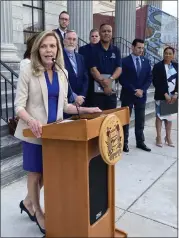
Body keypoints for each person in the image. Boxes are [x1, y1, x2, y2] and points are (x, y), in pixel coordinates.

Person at [14, 30, 101, 235]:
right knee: (35, 174)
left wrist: (87, 110)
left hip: (56, 134)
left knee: (47, 173)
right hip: (33, 131)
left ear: (57, 49)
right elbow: (18, 106)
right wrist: (31, 120)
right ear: (38, 49)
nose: (48, 50)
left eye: (52, 46)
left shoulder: (62, 72)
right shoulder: (28, 70)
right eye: (44, 46)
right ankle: (38, 212)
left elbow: (64, 105)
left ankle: (27, 201)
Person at [119, 38, 152, 153]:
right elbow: (122, 79)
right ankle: (124, 143)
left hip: (141, 96)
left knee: (140, 120)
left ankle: (140, 142)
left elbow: (149, 78)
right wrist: (134, 90)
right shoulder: (124, 61)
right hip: (128, 95)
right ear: (132, 47)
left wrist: (142, 90)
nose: (140, 50)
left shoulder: (146, 61)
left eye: (142, 48)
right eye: (138, 47)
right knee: (125, 120)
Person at [88, 23, 122, 110]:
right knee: (97, 119)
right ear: (100, 33)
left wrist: (110, 80)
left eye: (109, 31)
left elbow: (119, 68)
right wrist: (104, 85)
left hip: (111, 92)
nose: (106, 33)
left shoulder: (116, 50)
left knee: (110, 119)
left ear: (112, 33)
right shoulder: (92, 49)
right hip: (96, 94)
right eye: (104, 31)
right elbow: (93, 69)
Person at [152, 46, 178, 147]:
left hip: (173, 96)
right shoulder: (158, 66)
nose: (167, 55)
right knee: (159, 117)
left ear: (173, 55)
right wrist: (165, 94)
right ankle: (158, 137)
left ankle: (168, 137)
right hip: (161, 95)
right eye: (166, 53)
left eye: (170, 53)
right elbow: (156, 81)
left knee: (169, 118)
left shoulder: (176, 66)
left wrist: (176, 93)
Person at [63, 30, 88, 108]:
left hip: (81, 101)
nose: (71, 42)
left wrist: (82, 96)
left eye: (74, 39)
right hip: (66, 102)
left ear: (77, 42)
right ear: (64, 41)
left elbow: (85, 78)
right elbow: (61, 80)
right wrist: (73, 97)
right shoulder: (59, 57)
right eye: (69, 39)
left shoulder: (80, 57)